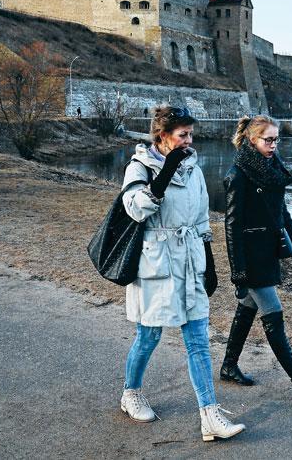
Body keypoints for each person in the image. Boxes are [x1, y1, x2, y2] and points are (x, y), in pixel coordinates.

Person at [119, 105, 245, 442]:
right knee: (149, 337)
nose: (189, 141)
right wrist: (163, 174)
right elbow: (134, 209)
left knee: (198, 340)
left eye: (191, 134)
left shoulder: (193, 168)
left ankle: (209, 415)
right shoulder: (139, 166)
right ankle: (130, 392)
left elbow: (202, 217)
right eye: (182, 135)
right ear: (162, 136)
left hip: (190, 261)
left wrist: (209, 260)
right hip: (156, 263)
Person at [220, 115, 292, 398]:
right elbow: (231, 227)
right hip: (251, 257)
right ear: (253, 140)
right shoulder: (238, 174)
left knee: (246, 309)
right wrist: (238, 272)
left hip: (267, 252)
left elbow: (282, 212)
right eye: (269, 139)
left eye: (277, 139)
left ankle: (229, 366)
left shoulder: (271, 169)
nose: (274, 144)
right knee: (273, 315)